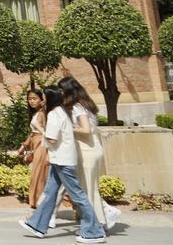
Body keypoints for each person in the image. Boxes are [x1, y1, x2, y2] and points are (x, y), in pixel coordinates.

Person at [20, 86, 106, 243]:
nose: (42, 100)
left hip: (62, 160)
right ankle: (37, 224)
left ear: (50, 98)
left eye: (44, 97)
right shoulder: (62, 111)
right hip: (60, 159)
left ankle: (95, 231)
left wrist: (41, 132)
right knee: (50, 193)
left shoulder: (53, 114)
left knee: (78, 195)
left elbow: (52, 140)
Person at [60, 76, 120, 232]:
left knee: (88, 189)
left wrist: (68, 128)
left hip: (87, 149)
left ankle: (99, 222)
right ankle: (101, 218)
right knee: (87, 188)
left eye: (62, 89)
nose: (60, 93)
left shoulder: (78, 107)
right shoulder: (86, 105)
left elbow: (86, 130)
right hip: (92, 147)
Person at [17, 88, 50, 209]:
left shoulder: (43, 113)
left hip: (42, 143)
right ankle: (37, 200)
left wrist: (45, 104)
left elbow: (44, 131)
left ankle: (38, 201)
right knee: (37, 173)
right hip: (36, 142)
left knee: (39, 173)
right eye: (29, 99)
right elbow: (32, 133)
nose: (31, 101)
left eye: (34, 98)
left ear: (41, 99)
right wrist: (23, 146)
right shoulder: (36, 113)